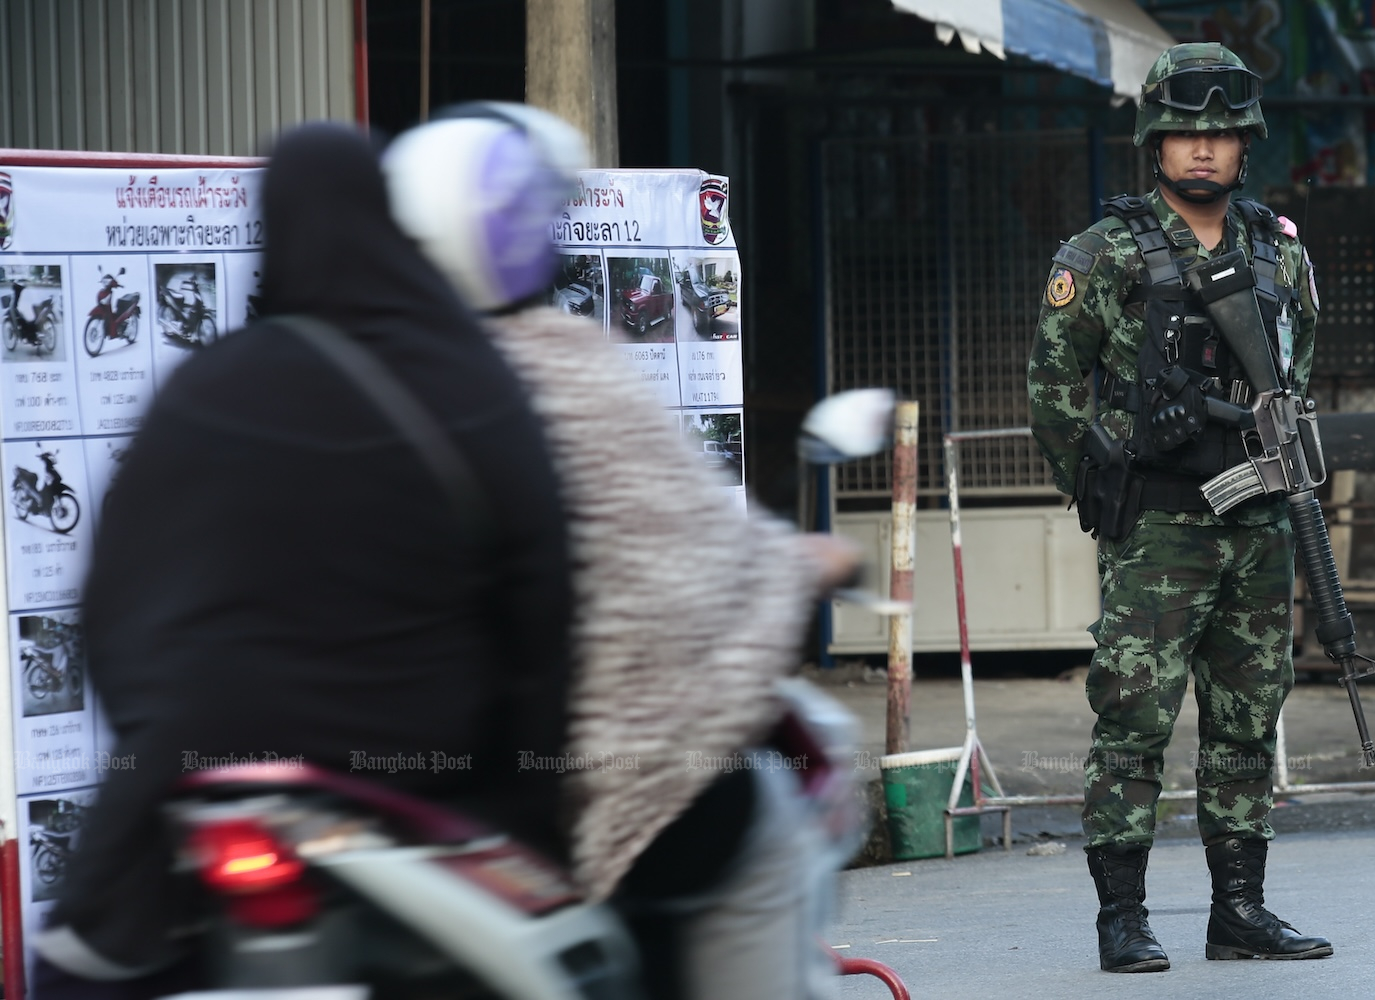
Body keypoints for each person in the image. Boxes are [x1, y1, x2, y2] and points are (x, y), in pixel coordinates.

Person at [34, 123, 576, 985]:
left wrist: (158, 733)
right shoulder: (474, 386)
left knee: (77, 962)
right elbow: (542, 615)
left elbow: (109, 609)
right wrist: (528, 800)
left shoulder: (208, 385)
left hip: (194, 788)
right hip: (418, 794)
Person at [381, 105, 860, 1000]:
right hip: (626, 801)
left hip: (447, 811)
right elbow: (697, 559)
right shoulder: (579, 372)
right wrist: (806, 565)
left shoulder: (382, 381)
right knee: (766, 842)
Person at [1027, 42, 1333, 973]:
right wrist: (1099, 481)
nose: (1203, 151)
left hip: (1259, 524)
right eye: (1184, 134)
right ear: (1154, 143)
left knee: (1248, 717)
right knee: (1134, 719)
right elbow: (1051, 384)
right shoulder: (1103, 252)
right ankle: (1123, 916)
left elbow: (1299, 360)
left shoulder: (1277, 250)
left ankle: (1239, 911)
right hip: (1158, 527)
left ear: (1246, 146)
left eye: (1221, 135)